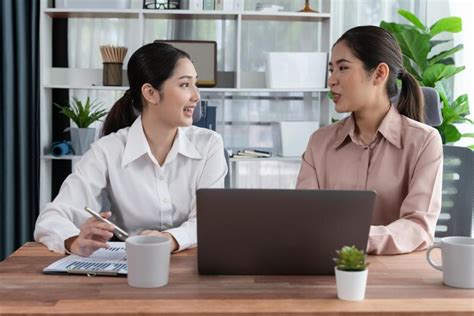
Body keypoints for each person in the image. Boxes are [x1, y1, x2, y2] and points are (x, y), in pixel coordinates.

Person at [35, 43, 228, 256]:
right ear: (151, 93)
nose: (196, 96)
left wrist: (170, 239)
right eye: (185, 85)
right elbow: (53, 217)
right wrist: (73, 241)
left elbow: (210, 220)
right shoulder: (107, 151)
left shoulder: (209, 144)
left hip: (193, 264)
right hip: (128, 264)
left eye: (195, 84)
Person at [296, 26, 443, 255]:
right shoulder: (319, 142)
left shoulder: (423, 141)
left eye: (343, 68)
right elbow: (304, 217)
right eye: (331, 69)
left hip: (396, 275)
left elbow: (418, 227)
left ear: (379, 74)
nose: (331, 80)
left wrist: (357, 239)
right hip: (329, 269)